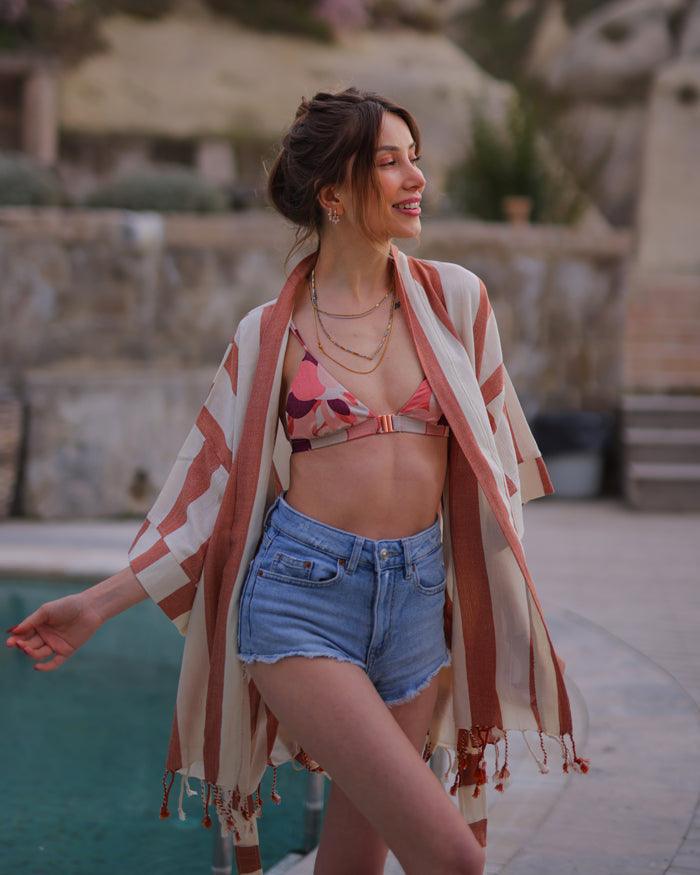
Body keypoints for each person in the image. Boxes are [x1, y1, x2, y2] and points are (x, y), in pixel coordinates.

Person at [6, 87, 584, 875]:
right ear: (333, 193)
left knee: (350, 862)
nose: (416, 178)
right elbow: (209, 497)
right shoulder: (269, 333)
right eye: (390, 161)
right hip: (302, 598)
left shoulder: (456, 300)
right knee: (453, 858)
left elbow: (495, 470)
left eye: (416, 158)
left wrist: (478, 603)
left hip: (415, 602)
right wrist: (99, 603)